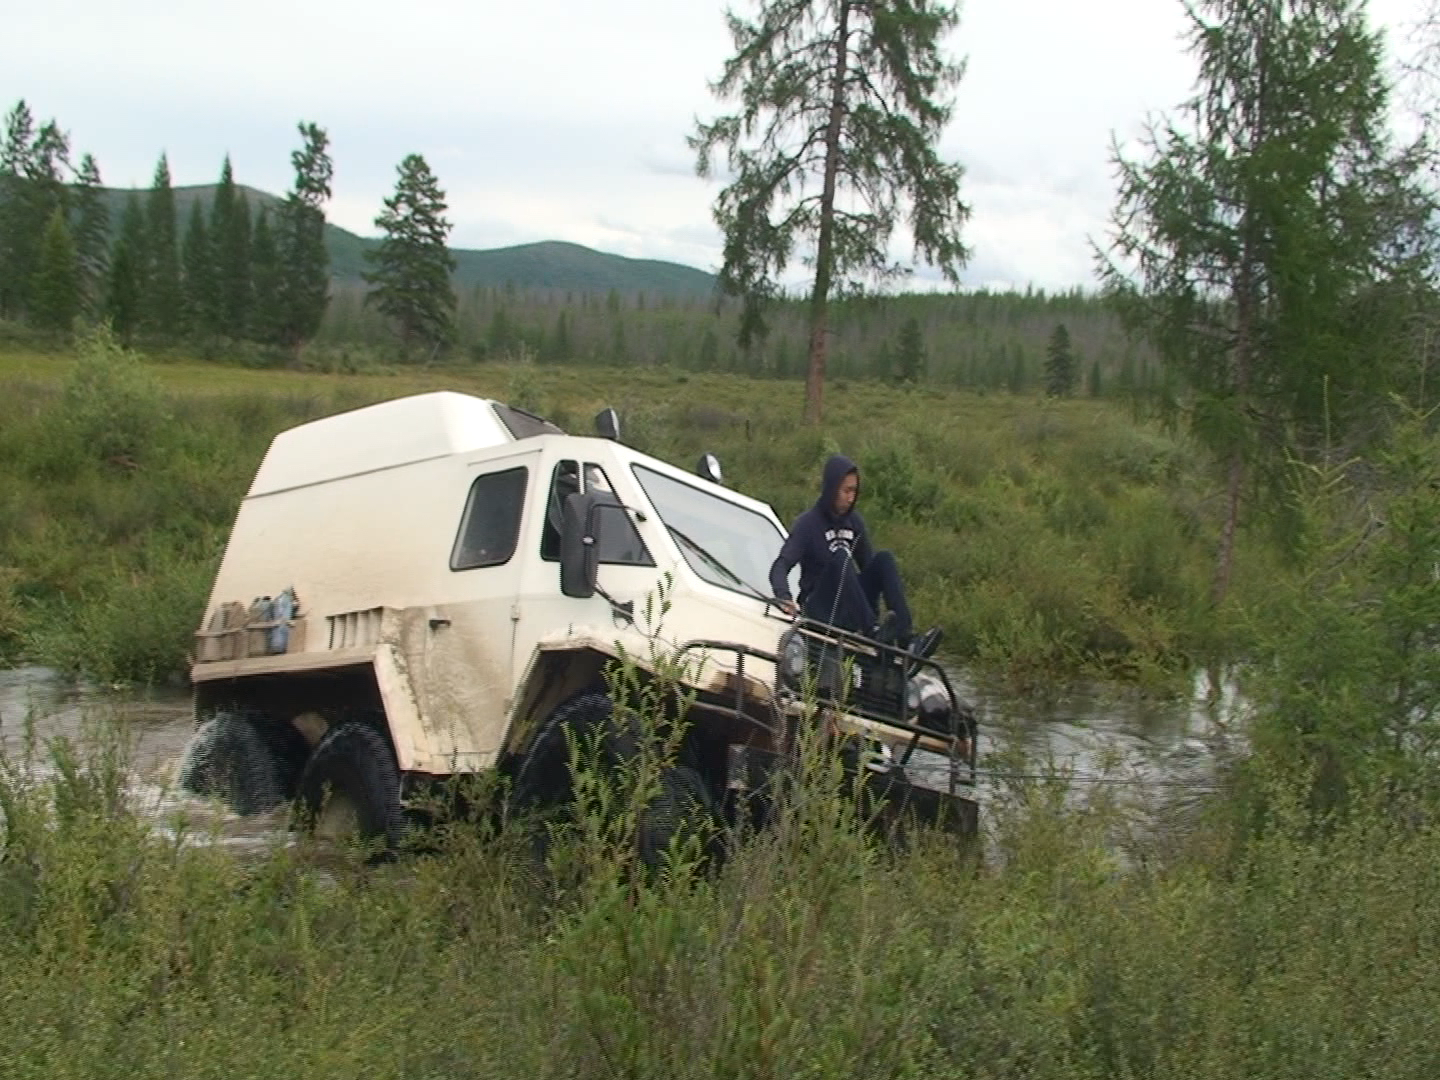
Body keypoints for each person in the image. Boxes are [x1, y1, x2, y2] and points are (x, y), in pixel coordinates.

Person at [768, 453, 943, 658]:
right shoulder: (808, 524)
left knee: (884, 560)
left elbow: (869, 569)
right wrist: (784, 596)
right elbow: (780, 566)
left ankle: (907, 640)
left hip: (848, 608)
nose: (851, 498)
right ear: (832, 489)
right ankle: (873, 632)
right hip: (820, 608)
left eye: (855, 491)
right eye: (846, 491)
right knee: (841, 557)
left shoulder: (855, 523)